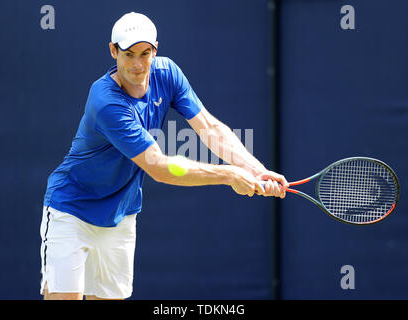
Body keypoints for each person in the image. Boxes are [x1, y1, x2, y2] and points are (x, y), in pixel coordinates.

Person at [40, 12, 289, 300]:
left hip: (120, 215)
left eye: (145, 54)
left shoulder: (167, 73)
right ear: (113, 50)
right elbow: (158, 167)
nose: (137, 64)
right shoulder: (106, 101)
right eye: (129, 53)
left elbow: (210, 128)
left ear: (155, 49)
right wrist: (230, 175)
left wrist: (256, 170)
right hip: (71, 209)